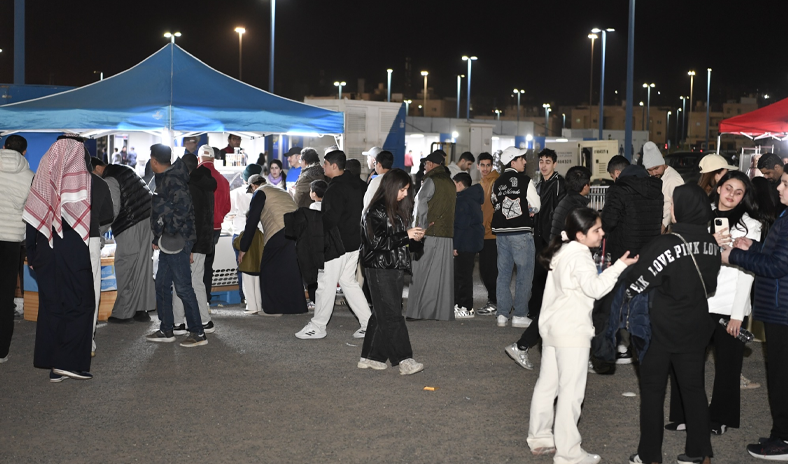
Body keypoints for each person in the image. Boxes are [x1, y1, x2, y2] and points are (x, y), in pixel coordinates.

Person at [524, 208, 637, 464]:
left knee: (547, 386)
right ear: (580, 234)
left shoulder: (563, 251)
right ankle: (569, 453)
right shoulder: (580, 256)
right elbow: (595, 289)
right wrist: (619, 267)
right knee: (571, 393)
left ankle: (540, 437)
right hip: (571, 331)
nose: (602, 233)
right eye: (596, 230)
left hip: (552, 328)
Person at [624, 184, 721, 464]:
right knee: (694, 389)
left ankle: (650, 455)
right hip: (696, 326)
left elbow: (636, 282)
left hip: (659, 328)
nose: (671, 207)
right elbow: (711, 285)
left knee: (653, 392)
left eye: (673, 203)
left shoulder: (665, 243)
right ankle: (700, 452)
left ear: (681, 208)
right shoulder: (711, 244)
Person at [665, 171, 762, 437]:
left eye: (738, 192)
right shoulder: (699, 214)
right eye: (728, 188)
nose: (731, 195)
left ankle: (721, 416)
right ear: (718, 188)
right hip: (697, 299)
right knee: (686, 360)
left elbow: (747, 273)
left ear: (744, 197)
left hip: (729, 303)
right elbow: (681, 251)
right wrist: (709, 242)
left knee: (728, 365)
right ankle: (684, 414)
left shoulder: (751, 226)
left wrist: (738, 314)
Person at [724, 169, 788, 461]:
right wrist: (754, 247)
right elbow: (777, 256)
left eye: (785, 184)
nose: (779, 189)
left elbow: (777, 267)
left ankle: (782, 440)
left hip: (781, 310)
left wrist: (734, 256)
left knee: (781, 378)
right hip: (779, 308)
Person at [23, 137, 95, 381]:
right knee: (81, 303)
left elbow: (32, 219)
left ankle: (54, 363)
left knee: (52, 306)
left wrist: (31, 253)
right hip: (71, 250)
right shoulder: (81, 180)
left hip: (44, 249)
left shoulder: (41, 180)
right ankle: (67, 363)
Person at [295, 147, 371, 338]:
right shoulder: (360, 184)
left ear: (334, 166)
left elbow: (330, 219)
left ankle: (318, 326)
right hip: (355, 241)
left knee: (326, 283)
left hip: (337, 244)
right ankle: (368, 323)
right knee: (348, 282)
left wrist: (315, 229)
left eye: (326, 164)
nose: (323, 167)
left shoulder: (335, 188)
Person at [359, 169, 426, 375]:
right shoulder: (375, 211)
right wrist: (406, 236)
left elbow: (398, 241)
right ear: (391, 187)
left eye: (407, 190)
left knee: (383, 312)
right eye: (402, 189)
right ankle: (404, 359)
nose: (405, 194)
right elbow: (377, 242)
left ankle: (371, 357)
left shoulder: (396, 209)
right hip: (379, 268)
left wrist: (415, 239)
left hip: (393, 266)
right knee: (392, 314)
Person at [598, 158, 663, 365]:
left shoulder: (618, 190)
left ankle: (614, 350)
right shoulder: (656, 190)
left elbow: (608, 222)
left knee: (615, 304)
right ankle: (640, 351)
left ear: (618, 174)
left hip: (623, 256)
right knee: (640, 305)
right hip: (649, 256)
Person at [147, 144, 206, 347]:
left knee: (183, 287)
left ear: (154, 160)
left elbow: (183, 209)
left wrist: (169, 232)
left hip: (178, 240)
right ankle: (166, 329)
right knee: (162, 284)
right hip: (168, 240)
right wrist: (159, 237)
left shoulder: (173, 180)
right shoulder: (166, 178)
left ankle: (198, 332)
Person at [239, 163, 306, 316]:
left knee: (268, 269)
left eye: (251, 190)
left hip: (279, 230)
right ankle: (296, 306)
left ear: (254, 186)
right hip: (297, 230)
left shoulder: (260, 192)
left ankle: (272, 309)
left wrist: (244, 247)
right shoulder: (279, 190)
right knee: (291, 270)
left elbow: (252, 221)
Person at [94, 157, 156, 323]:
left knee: (126, 265)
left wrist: (97, 232)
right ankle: (141, 310)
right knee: (143, 267)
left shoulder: (109, 179)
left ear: (98, 168)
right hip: (147, 219)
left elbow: (112, 210)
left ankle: (123, 313)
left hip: (130, 224)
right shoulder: (125, 169)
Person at [491, 147, 540, 328]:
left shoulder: (497, 182)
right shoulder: (525, 181)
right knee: (524, 274)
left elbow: (495, 202)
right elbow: (536, 205)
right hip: (520, 232)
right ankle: (519, 314)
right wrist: (531, 209)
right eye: (521, 159)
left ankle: (502, 315)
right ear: (513, 161)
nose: (524, 162)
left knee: (503, 274)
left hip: (501, 233)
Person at [405, 150, 456, 321]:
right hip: (446, 233)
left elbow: (420, 203)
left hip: (429, 232)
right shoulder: (450, 182)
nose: (424, 167)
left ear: (432, 164)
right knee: (441, 276)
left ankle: (416, 312)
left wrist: (419, 228)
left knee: (420, 272)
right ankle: (441, 313)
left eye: (426, 164)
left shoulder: (430, 180)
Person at [171, 154, 217, 335]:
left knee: (181, 281)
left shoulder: (190, 186)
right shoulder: (205, 183)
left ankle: (180, 322)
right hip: (203, 240)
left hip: (191, 241)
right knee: (196, 280)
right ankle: (202, 320)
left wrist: (189, 245)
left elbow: (190, 218)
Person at [0, 135, 34, 363]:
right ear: (24, 152)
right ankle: (1, 351)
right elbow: (31, 213)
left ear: (4, 147)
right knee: (5, 296)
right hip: (11, 241)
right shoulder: (30, 176)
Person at [526, 148, 567, 336]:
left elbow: (560, 211)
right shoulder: (539, 184)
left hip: (551, 237)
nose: (543, 165)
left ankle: (545, 312)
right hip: (540, 236)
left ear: (555, 164)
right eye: (541, 161)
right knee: (539, 274)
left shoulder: (558, 183)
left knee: (549, 276)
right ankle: (536, 311)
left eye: (547, 162)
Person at [285, 179, 338, 310]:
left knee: (313, 274)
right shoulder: (329, 206)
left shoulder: (313, 207)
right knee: (325, 276)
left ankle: (315, 301)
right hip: (328, 244)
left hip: (315, 244)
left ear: (313, 194)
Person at [82, 151, 114, 358]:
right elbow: (108, 215)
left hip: (61, 240)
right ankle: (88, 341)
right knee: (91, 289)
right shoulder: (99, 183)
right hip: (91, 238)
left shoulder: (57, 180)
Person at [198, 145, 231, 307]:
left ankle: (197, 301)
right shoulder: (223, 180)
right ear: (213, 159)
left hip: (199, 228)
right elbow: (227, 207)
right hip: (216, 228)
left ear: (199, 159)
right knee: (208, 264)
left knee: (196, 265)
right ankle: (206, 299)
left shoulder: (195, 177)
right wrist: (219, 217)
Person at [228, 163, 263, 303]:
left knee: (242, 266)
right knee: (259, 265)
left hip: (240, 232)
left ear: (244, 178)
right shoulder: (265, 192)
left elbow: (229, 212)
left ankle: (245, 297)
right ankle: (259, 296)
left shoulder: (235, 193)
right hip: (260, 234)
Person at [452, 172, 484, 319]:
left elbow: (461, 225)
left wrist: (455, 245)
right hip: (470, 242)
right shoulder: (472, 198)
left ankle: (466, 307)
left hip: (465, 243)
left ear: (459, 184)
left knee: (462, 276)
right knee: (463, 275)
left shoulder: (463, 200)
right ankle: (461, 305)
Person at [234, 174, 267, 315]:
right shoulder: (261, 234)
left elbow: (237, 243)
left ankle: (251, 306)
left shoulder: (245, 234)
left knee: (247, 285)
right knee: (258, 285)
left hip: (247, 265)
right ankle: (258, 305)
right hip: (258, 265)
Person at [476, 152, 500, 316]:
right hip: (483, 234)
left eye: (488, 165)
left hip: (493, 234)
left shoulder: (496, 182)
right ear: (478, 166)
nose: (485, 168)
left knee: (490, 271)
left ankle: (495, 302)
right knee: (485, 271)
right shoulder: (480, 184)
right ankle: (495, 301)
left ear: (492, 166)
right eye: (483, 165)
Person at [642, 141, 685, 231]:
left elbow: (678, 205)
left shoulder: (674, 180)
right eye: (650, 170)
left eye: (656, 168)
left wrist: (664, 224)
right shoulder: (651, 177)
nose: (654, 173)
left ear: (663, 163)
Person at [549, 166, 591, 241]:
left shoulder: (567, 201)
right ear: (585, 186)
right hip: (565, 246)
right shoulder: (576, 207)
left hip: (557, 245)